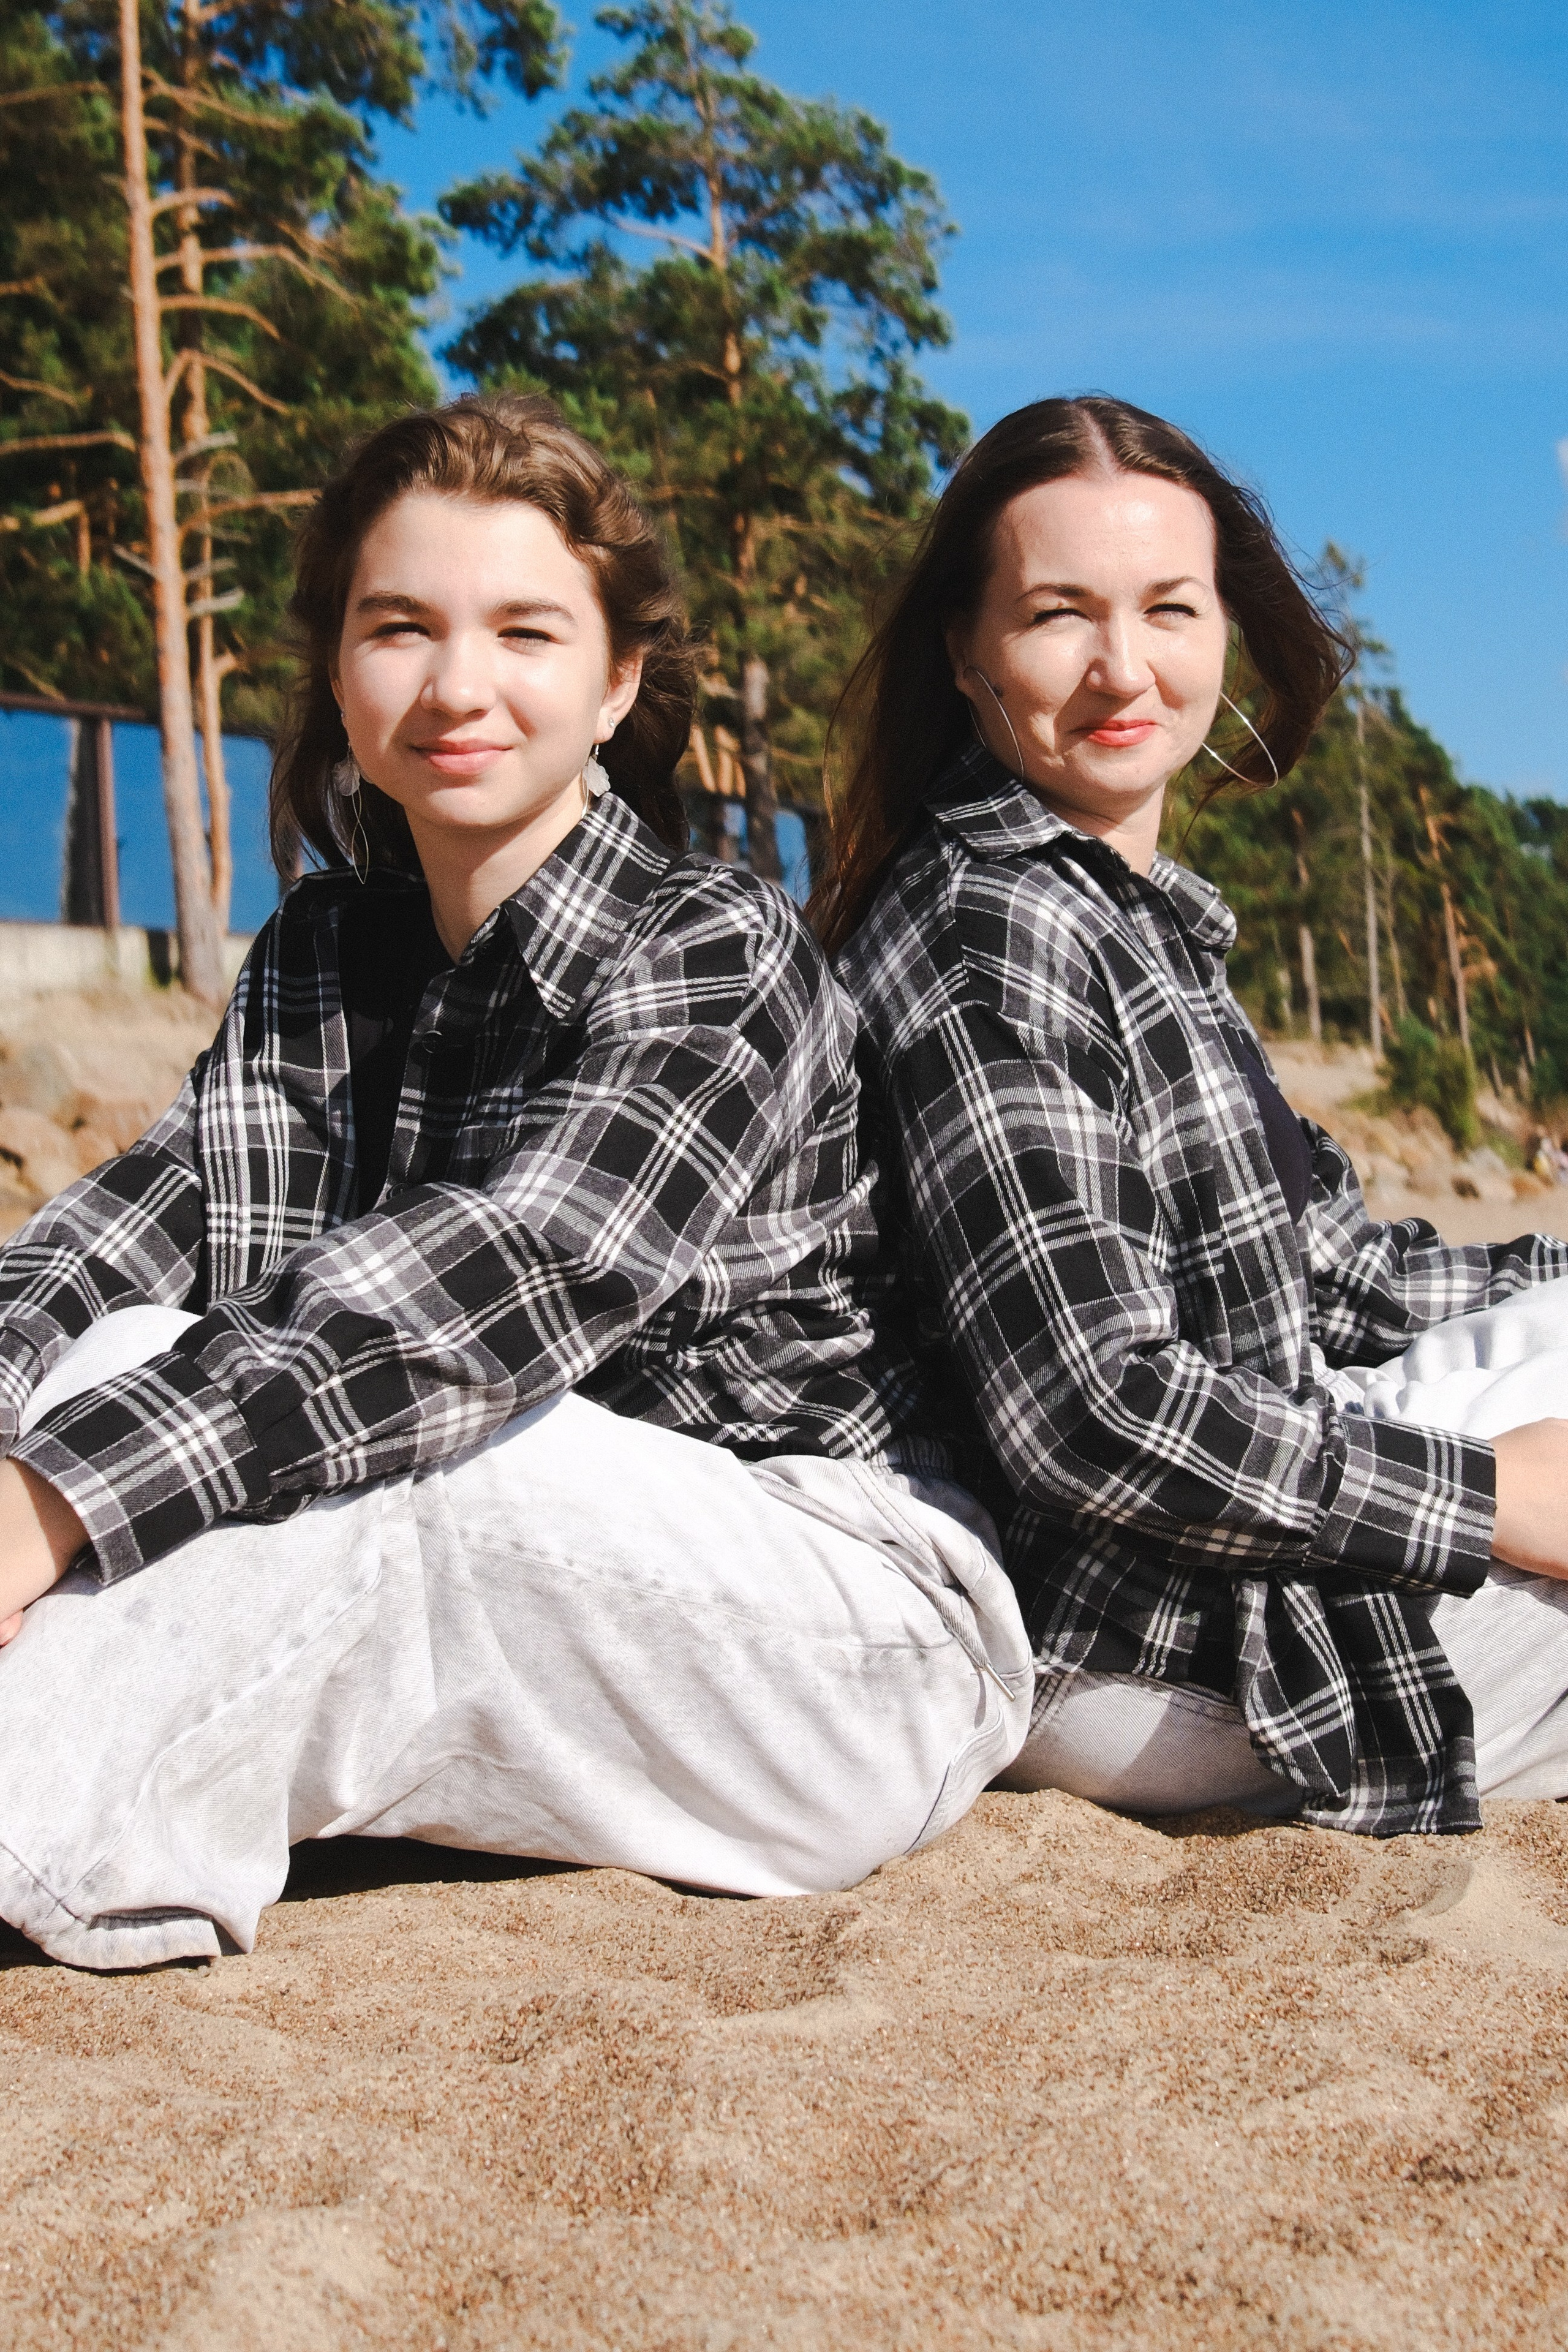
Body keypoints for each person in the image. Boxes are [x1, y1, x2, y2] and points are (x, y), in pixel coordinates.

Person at [0, 396, 1031, 1969]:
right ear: (338, 673)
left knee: (396, 1453)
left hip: (838, 1630)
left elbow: (505, 1281)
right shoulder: (321, 958)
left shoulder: (713, 949)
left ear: (617, 682)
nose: (456, 685)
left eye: (526, 632)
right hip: (533, 1598)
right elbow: (146, 1220)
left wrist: (50, 1499)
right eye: (399, 627)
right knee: (126, 1356)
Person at [816, 393, 1568, 1839]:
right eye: (1056, 615)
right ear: (966, 658)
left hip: (1242, 1536)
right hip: (1161, 1635)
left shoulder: (1127, 919)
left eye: (1167, 606)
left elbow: (1329, 1274)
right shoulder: (992, 936)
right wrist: (1490, 1501)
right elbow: (1088, 1409)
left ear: (1222, 629)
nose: (1122, 666)